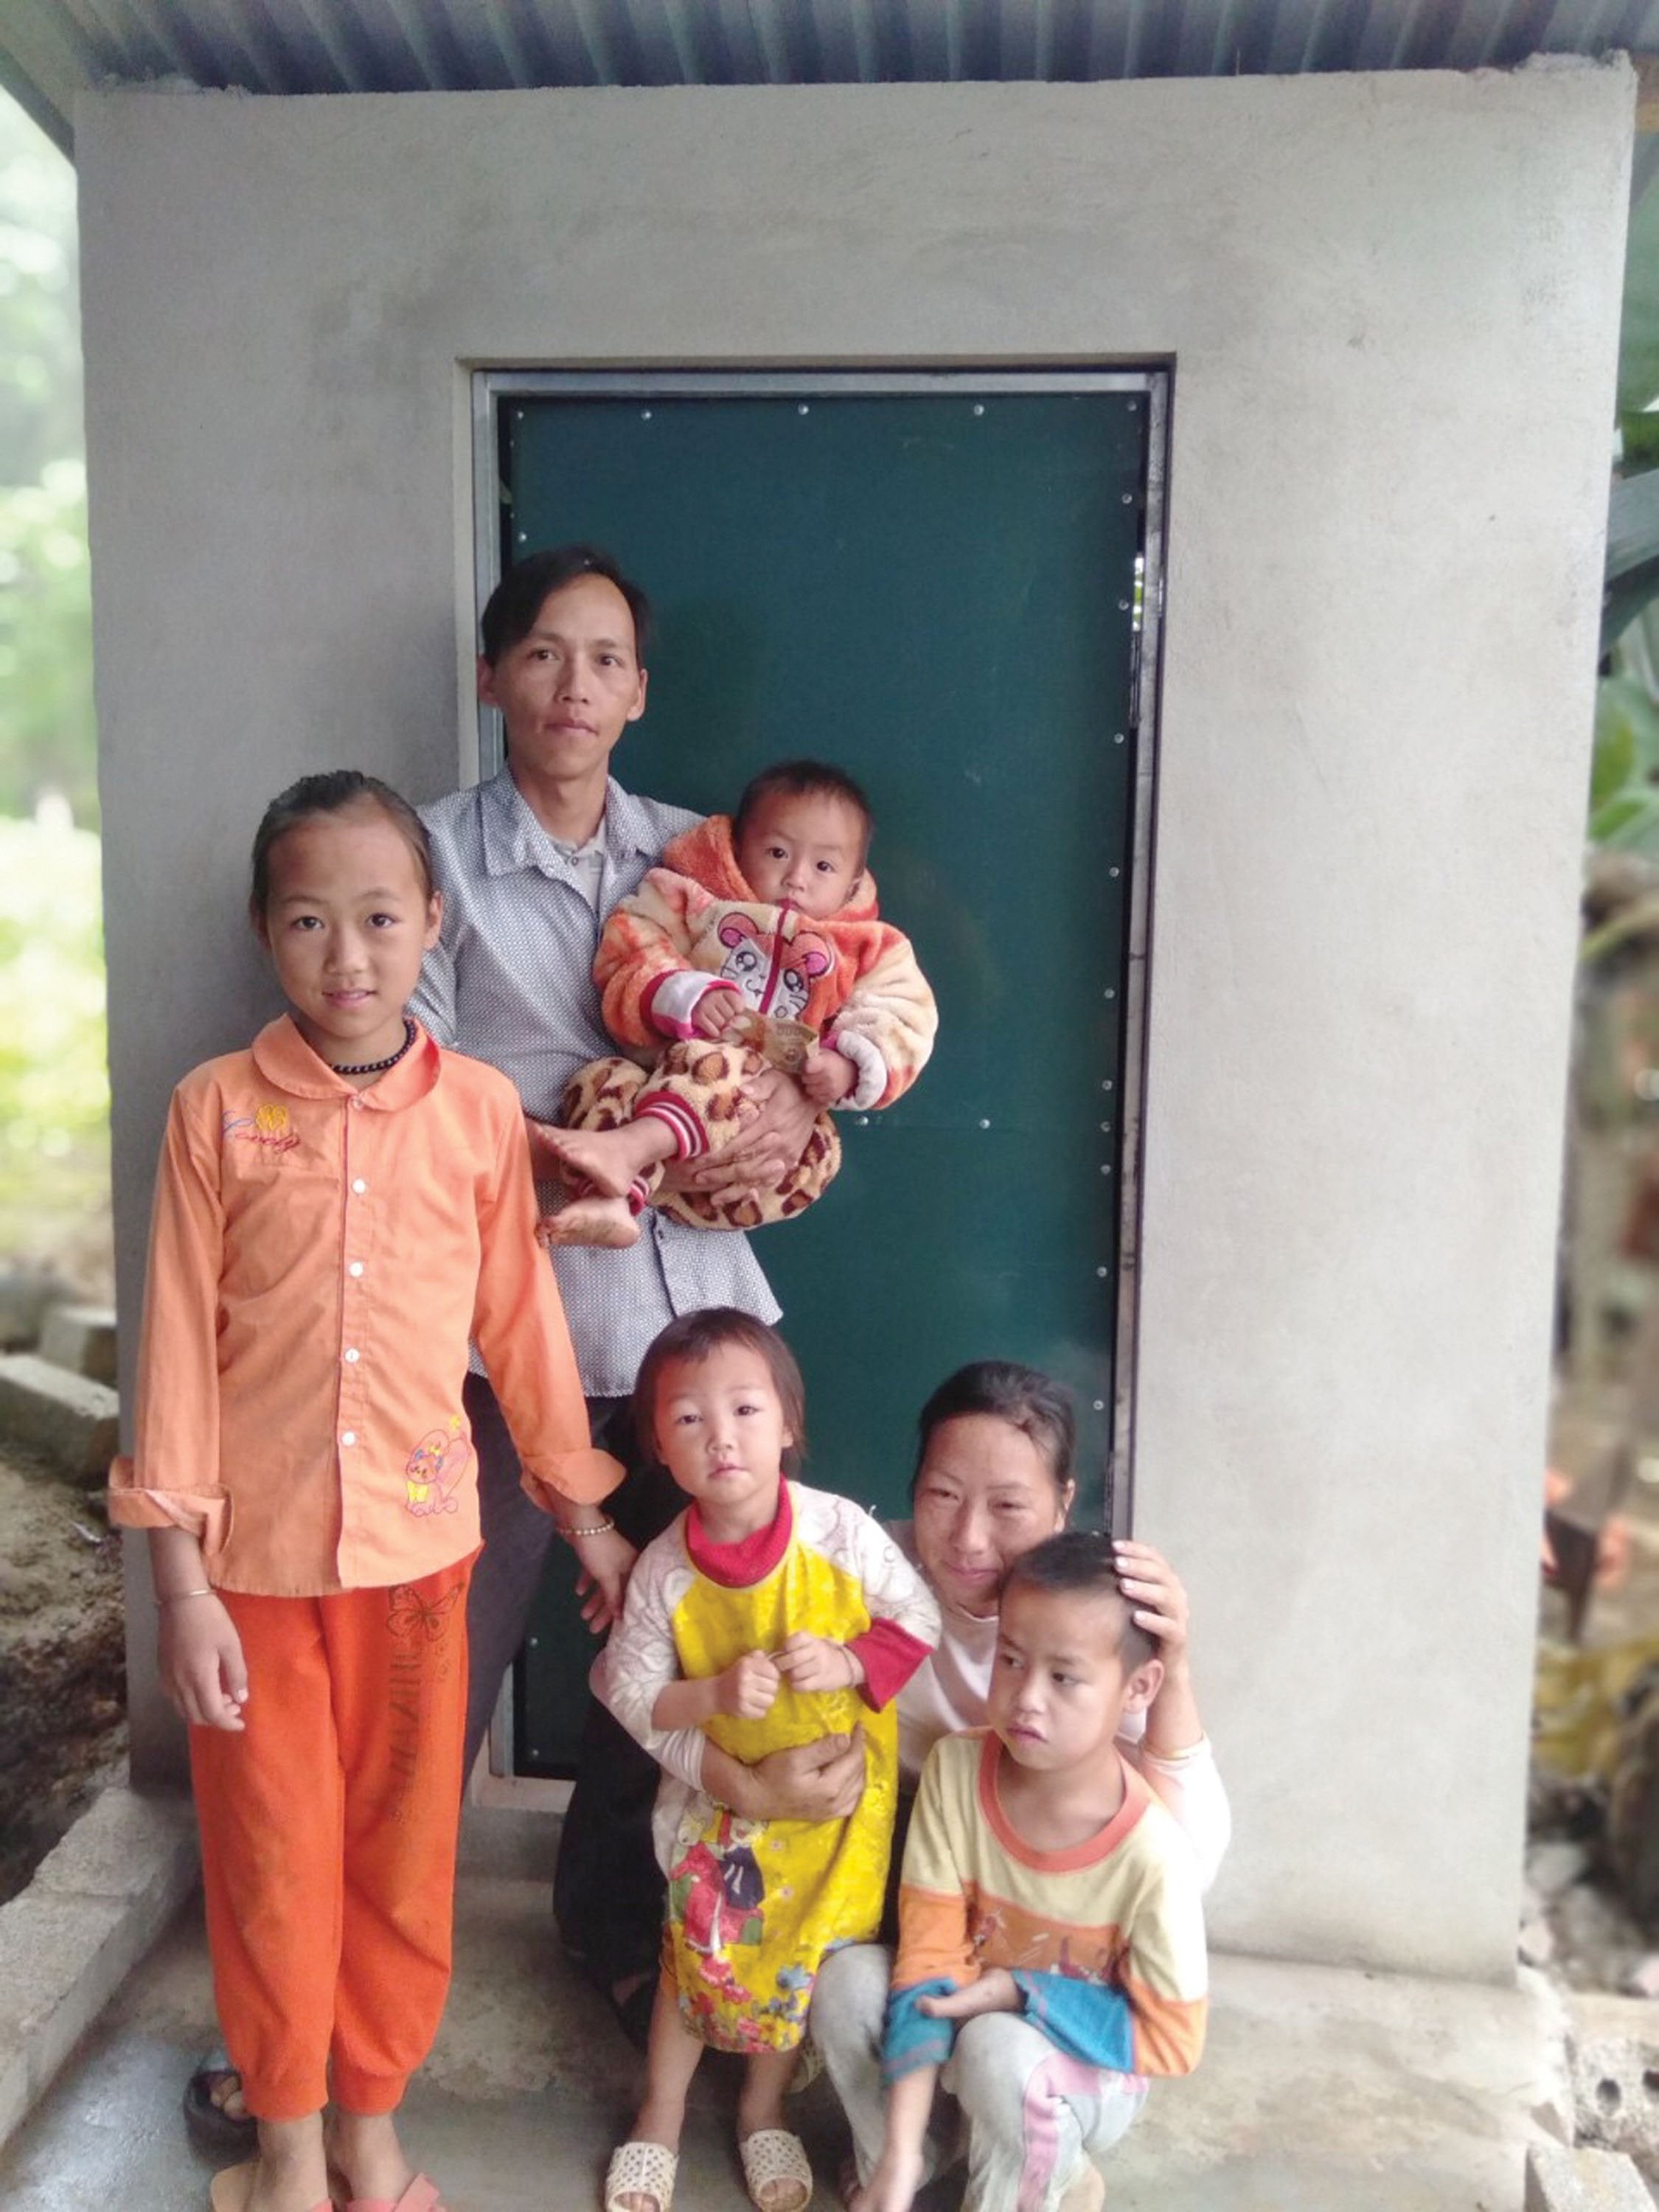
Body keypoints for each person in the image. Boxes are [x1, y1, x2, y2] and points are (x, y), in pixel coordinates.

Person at [109, 772, 628, 2212]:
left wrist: (581, 1514)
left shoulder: (474, 1116)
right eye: (312, 922)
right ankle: (284, 2148)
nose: (350, 957)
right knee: (272, 1868)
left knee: (403, 1866)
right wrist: (182, 1591)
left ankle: (372, 2134)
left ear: (434, 927)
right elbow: (172, 1354)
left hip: (420, 1566)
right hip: (253, 1580)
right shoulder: (213, 1113)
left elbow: (523, 1327)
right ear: (267, 938)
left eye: (382, 918)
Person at [807, 1360, 1229, 2198]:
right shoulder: (862, 1579)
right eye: (942, 1496)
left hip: (1062, 1918)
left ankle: (1040, 2150)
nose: (969, 1540)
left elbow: (1180, 1854)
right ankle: (914, 2150)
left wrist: (1172, 1668)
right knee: (845, 1977)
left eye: (1008, 1507)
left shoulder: (1097, 1612)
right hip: (940, 1870)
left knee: (1006, 2052)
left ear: (1063, 1503)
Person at [594, 1309, 940, 2212]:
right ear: (659, 1450)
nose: (721, 1439)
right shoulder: (665, 1572)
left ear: (789, 1424)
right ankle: (658, 2115)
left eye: (746, 1410)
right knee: (694, 1954)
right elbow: (630, 1693)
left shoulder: (842, 1536)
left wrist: (856, 1660)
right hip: (722, 1809)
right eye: (688, 1420)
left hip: (827, 1814)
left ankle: (762, 2112)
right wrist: (707, 1698)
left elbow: (919, 1620)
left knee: (796, 1960)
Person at [852, 1531, 1208, 2212]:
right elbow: (929, 1956)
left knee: (994, 2049)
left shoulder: (1153, 1855)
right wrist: (897, 2156)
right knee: (847, 1986)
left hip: (1079, 2071)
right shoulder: (956, 1771)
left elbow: (1172, 2039)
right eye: (1011, 1660)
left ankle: (1050, 2181)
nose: (1026, 1698)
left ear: (1138, 1686)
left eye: (1064, 1676)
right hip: (964, 2022)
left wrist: (1017, 1991)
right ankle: (908, 2172)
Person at [540, 759, 936, 1246]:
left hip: (754, 1167)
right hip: (671, 1083)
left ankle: (630, 1157)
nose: (796, 878)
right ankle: (621, 1195)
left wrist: (848, 1067)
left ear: (854, 884)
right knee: (597, 1082)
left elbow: (905, 1012)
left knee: (820, 1149)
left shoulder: (864, 946)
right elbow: (630, 948)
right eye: (776, 852)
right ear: (736, 848)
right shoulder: (695, 898)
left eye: (824, 866)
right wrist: (682, 993)